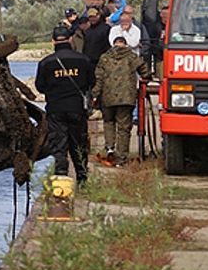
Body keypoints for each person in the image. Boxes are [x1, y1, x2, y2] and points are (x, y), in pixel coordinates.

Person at [35, 25, 95, 186]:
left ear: (53, 41)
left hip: (56, 109)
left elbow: (40, 86)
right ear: (70, 39)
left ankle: (61, 178)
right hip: (77, 108)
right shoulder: (83, 60)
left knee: (59, 145)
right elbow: (91, 82)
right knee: (79, 144)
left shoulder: (46, 63)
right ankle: (82, 178)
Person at [93, 35, 153, 165]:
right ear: (125, 45)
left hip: (107, 97)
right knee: (123, 128)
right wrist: (146, 78)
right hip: (126, 98)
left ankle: (109, 148)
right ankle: (121, 157)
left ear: (113, 44)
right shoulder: (132, 57)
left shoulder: (104, 58)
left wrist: (95, 94)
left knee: (108, 122)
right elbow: (145, 71)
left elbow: (99, 78)